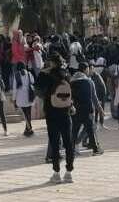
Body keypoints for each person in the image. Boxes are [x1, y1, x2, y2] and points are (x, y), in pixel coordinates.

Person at [35, 53, 75, 184]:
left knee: (55, 142)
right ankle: (69, 173)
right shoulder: (66, 74)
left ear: (51, 62)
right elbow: (71, 92)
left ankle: (56, 173)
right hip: (65, 111)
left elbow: (38, 90)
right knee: (68, 142)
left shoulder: (45, 75)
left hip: (51, 112)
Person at [70, 62, 103, 156]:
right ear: (85, 69)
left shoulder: (71, 82)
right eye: (88, 69)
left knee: (74, 130)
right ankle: (95, 150)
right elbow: (94, 97)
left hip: (75, 110)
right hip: (87, 109)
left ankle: (71, 150)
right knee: (90, 130)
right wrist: (99, 108)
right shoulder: (89, 81)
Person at [11, 62, 35, 136]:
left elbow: (15, 88)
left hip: (20, 96)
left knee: (25, 114)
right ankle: (28, 128)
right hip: (29, 95)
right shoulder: (29, 74)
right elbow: (33, 82)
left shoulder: (16, 75)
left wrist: (14, 99)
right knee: (28, 113)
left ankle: (29, 129)